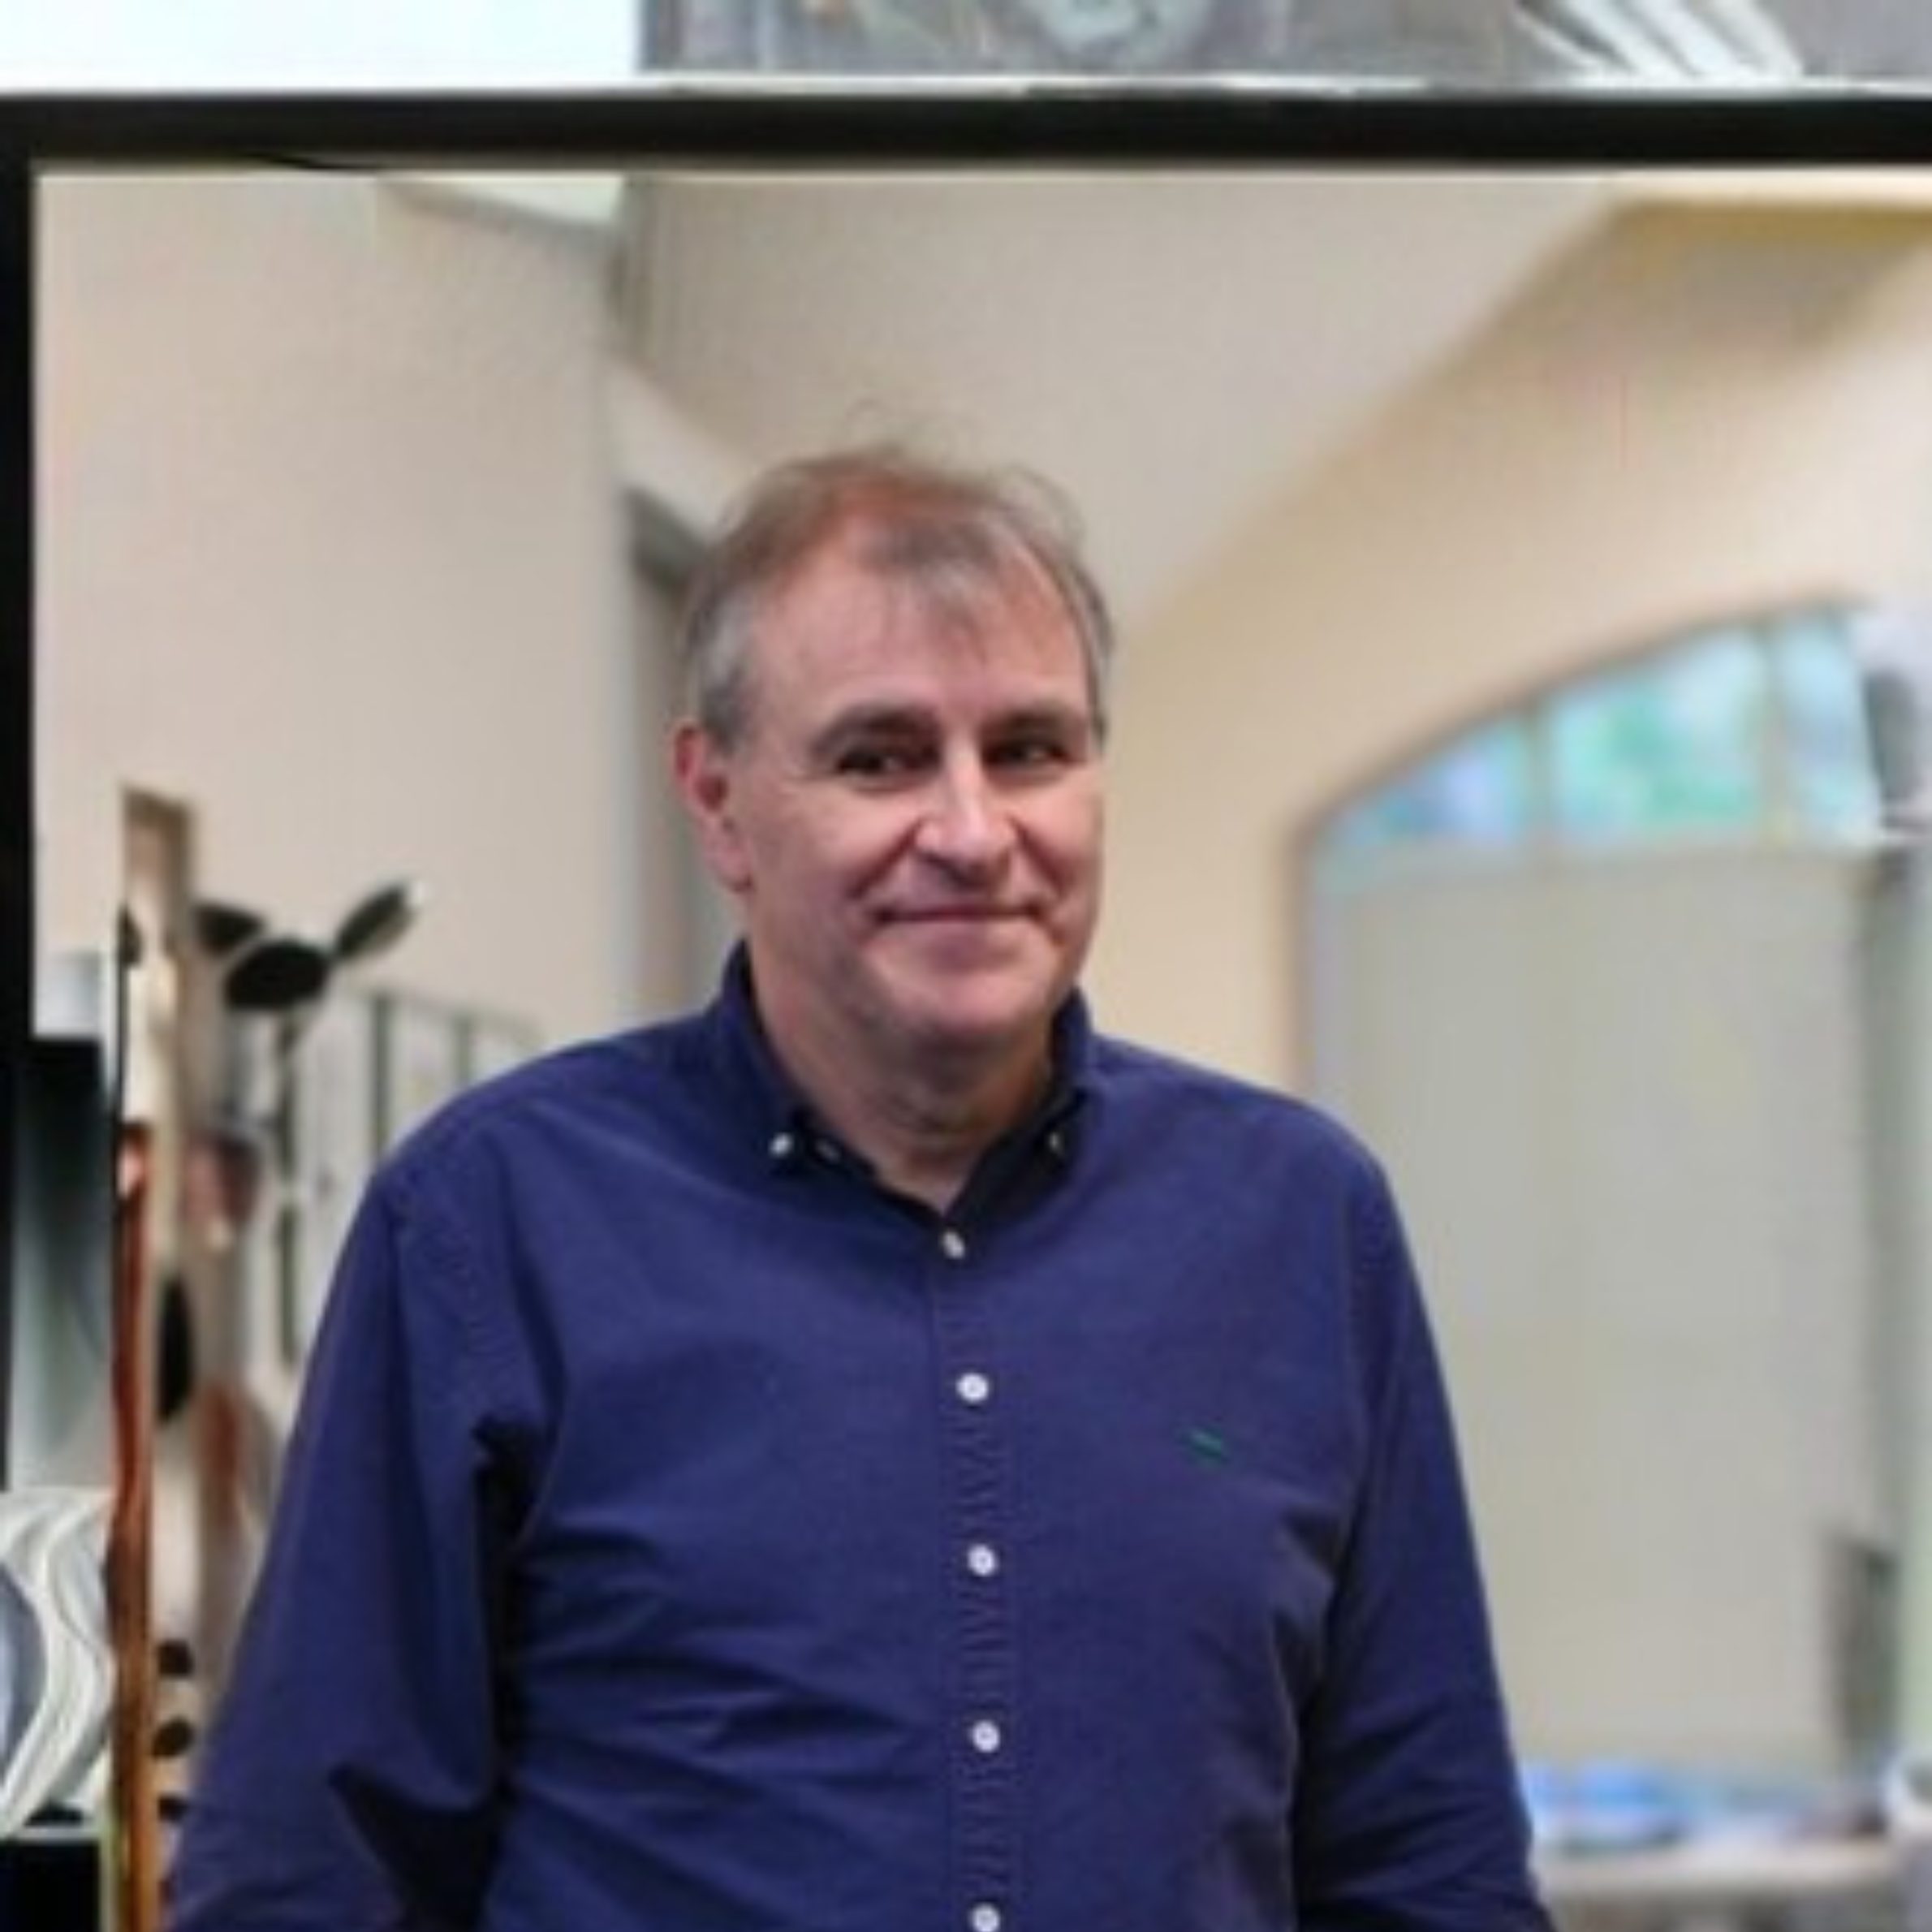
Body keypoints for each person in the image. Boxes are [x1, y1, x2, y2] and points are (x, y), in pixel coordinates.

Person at [166, 445, 1550, 1931]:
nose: (970, 834)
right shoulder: (492, 1226)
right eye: (879, 758)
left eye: (1029, 750)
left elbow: (1427, 1865)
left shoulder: (1299, 1224)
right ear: (715, 800)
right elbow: (311, 1878)